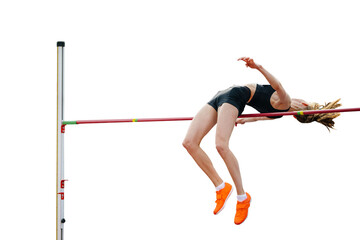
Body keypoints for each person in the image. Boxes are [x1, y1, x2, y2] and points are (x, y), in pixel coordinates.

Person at [182, 57, 341, 225]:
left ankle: (242, 197)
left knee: (221, 146)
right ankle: (221, 187)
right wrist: (245, 120)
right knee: (189, 143)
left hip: (234, 96)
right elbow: (259, 118)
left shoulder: (285, 102)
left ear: (303, 103)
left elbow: (277, 85)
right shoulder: (278, 114)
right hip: (221, 95)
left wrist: (258, 67)